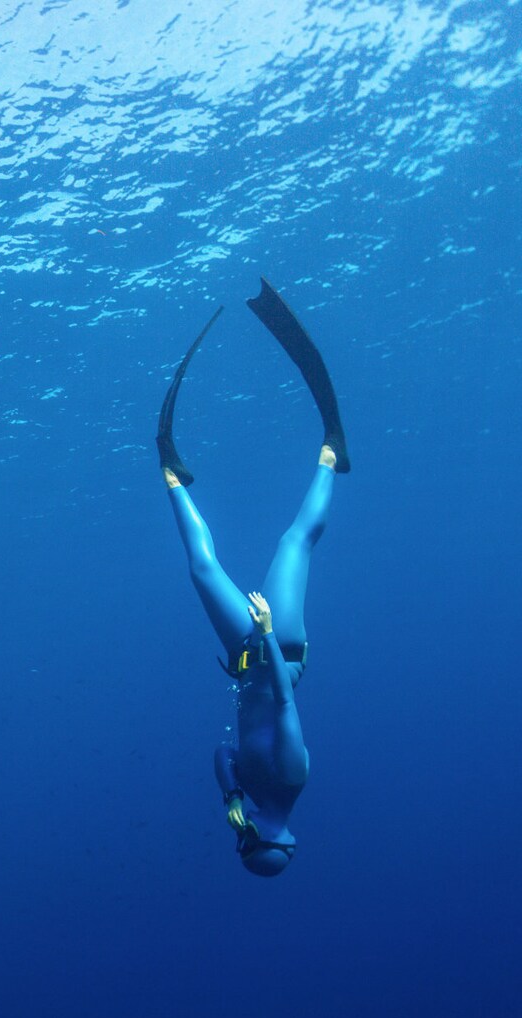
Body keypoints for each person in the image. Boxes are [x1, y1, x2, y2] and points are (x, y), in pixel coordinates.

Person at [157, 279, 349, 877]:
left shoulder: (250, 799)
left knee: (201, 568)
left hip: (247, 654)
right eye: (247, 845)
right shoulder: (293, 779)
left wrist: (230, 795)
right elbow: (286, 703)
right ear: (270, 842)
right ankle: (332, 452)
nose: (239, 840)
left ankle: (170, 473)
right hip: (277, 645)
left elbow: (221, 751)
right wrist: (266, 632)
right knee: (296, 542)